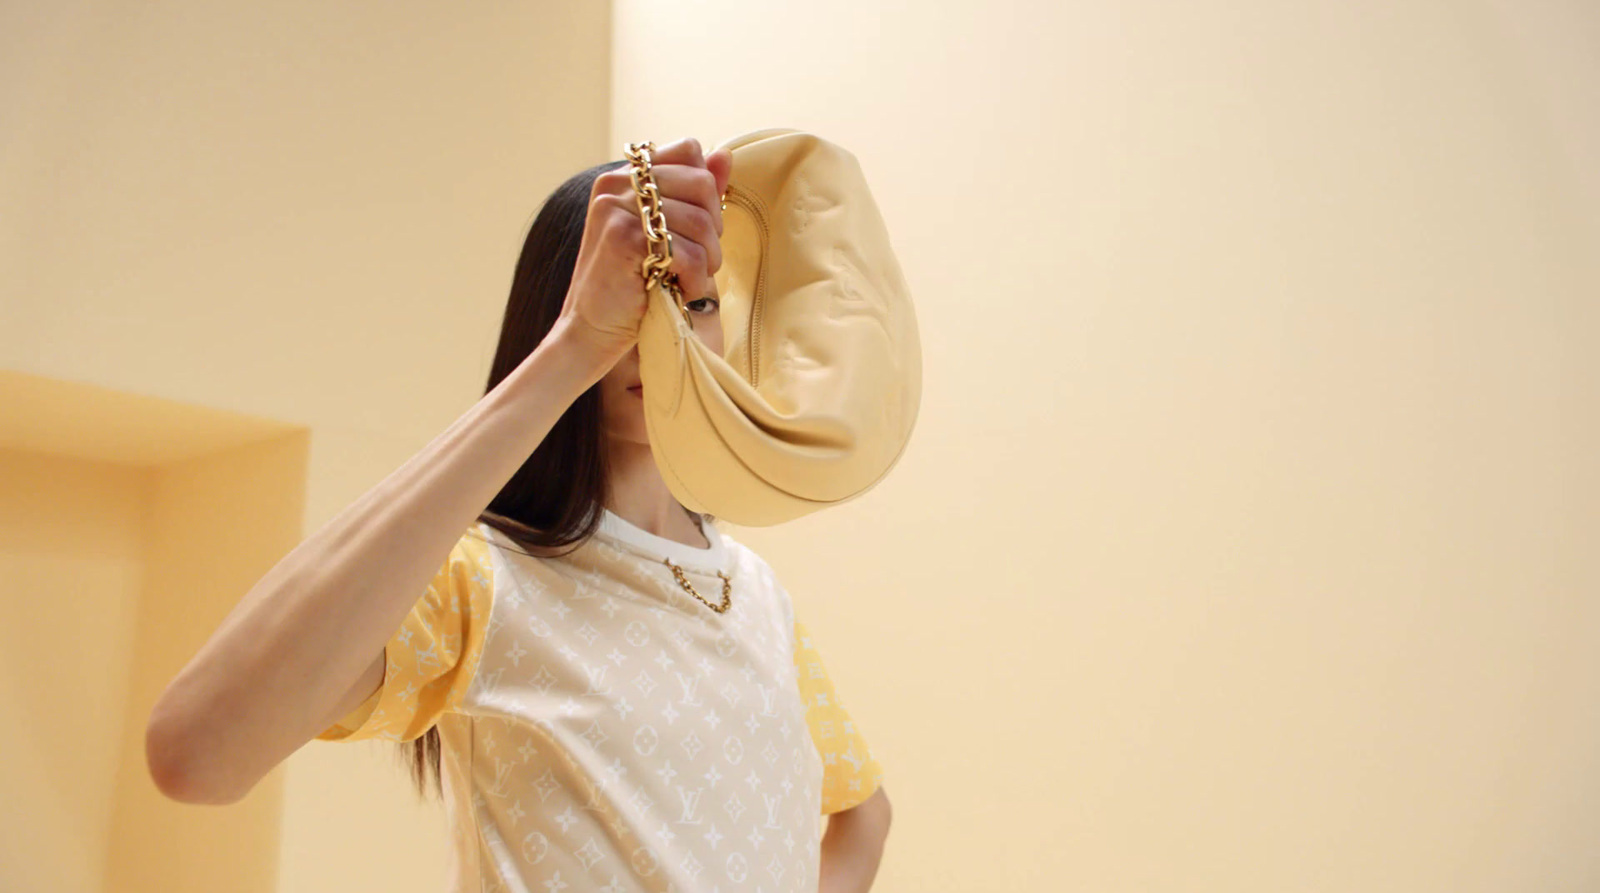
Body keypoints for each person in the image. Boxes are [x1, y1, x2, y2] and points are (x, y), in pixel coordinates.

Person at [145, 136, 891, 892]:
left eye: (692, 301)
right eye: (633, 294)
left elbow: (864, 809)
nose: (659, 335)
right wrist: (574, 348)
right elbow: (197, 753)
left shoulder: (755, 592)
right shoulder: (483, 580)